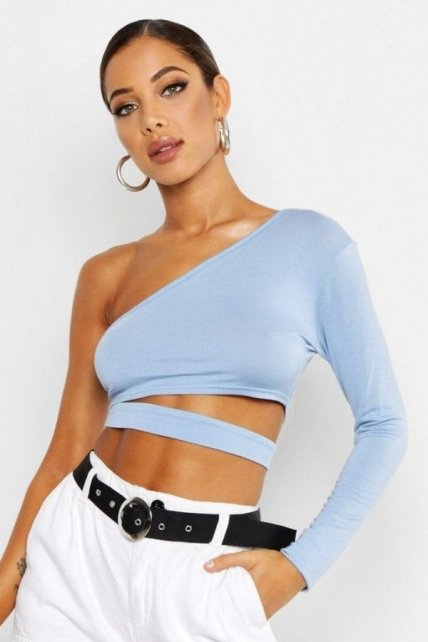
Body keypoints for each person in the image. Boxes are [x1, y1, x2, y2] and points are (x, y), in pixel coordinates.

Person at [0, 17, 407, 642]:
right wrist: (8, 581)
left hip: (204, 575)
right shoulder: (106, 274)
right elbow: (66, 448)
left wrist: (299, 567)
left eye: (171, 88)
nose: (151, 121)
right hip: (75, 554)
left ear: (218, 96)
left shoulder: (310, 247)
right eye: (126, 106)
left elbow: (384, 425)